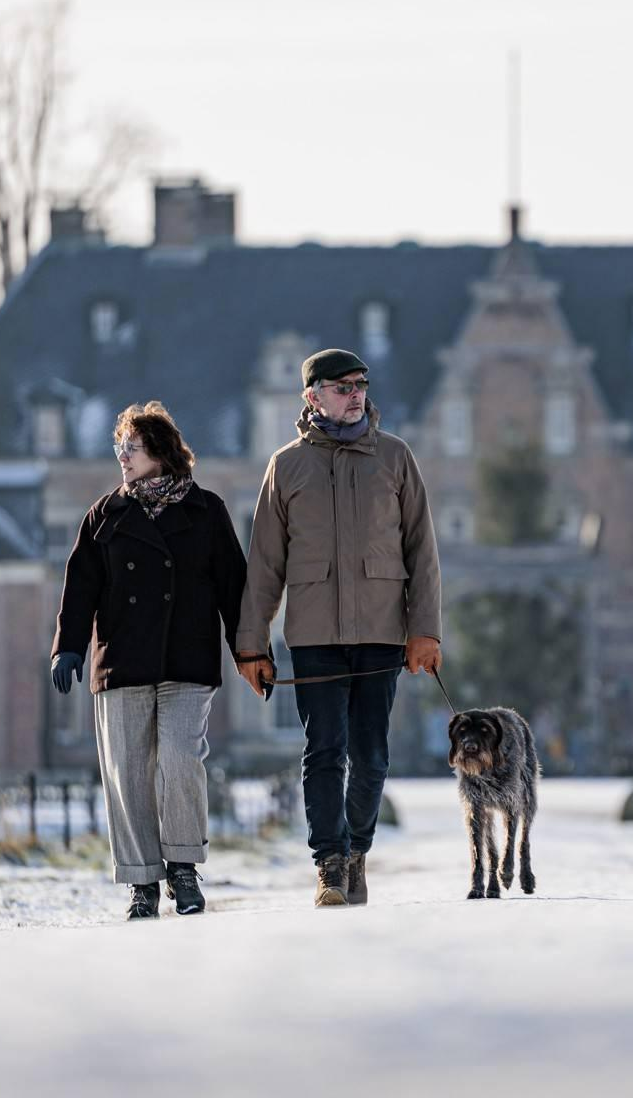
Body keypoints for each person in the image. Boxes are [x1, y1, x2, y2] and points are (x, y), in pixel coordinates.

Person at [234, 349, 442, 907]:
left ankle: (356, 851)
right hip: (314, 634)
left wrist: (425, 630)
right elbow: (264, 563)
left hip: (381, 632)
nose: (355, 394)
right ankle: (329, 863)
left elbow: (422, 551)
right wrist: (252, 642)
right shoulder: (286, 466)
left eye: (361, 385)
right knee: (324, 749)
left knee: (371, 754)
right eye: (342, 386)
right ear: (312, 397)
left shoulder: (396, 458)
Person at [50, 401, 246, 920]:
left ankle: (183, 866)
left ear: (159, 450)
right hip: (121, 661)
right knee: (128, 772)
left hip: (187, 659)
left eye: (130, 447)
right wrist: (68, 646)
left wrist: (251, 651)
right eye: (119, 448)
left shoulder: (206, 511)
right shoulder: (104, 515)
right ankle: (142, 881)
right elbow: (80, 587)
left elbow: (234, 587)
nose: (122, 457)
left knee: (182, 758)